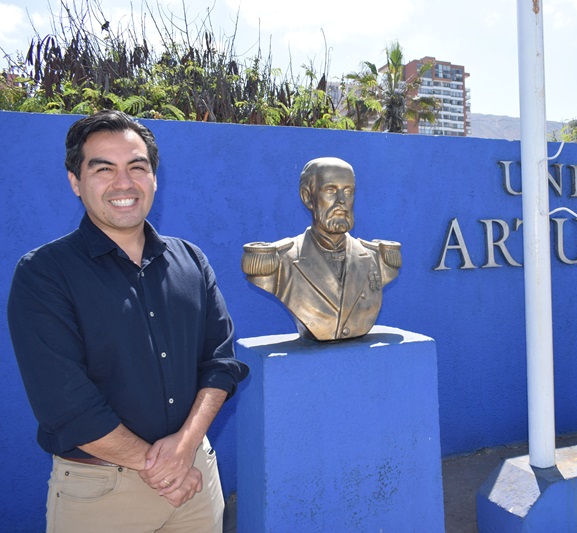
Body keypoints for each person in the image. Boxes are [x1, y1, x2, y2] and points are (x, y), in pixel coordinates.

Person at [7, 110, 249, 532]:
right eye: (103, 169)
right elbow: (66, 405)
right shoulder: (44, 274)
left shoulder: (191, 260)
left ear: (154, 177)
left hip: (195, 480)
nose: (124, 183)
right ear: (75, 182)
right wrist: (163, 467)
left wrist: (185, 448)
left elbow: (221, 364)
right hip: (103, 496)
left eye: (137, 167)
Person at [242, 157, 401, 341]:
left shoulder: (378, 259)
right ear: (307, 197)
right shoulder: (279, 263)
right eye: (330, 190)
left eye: (348, 191)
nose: (341, 201)